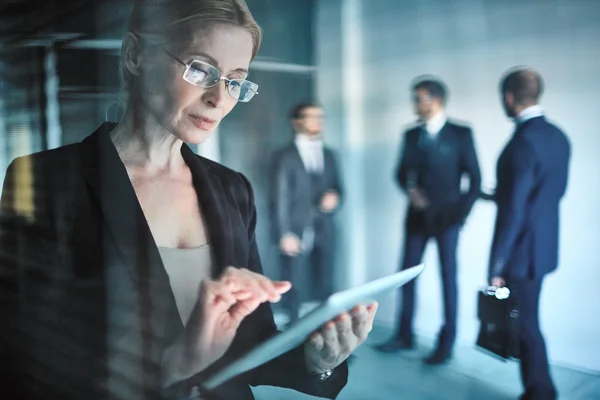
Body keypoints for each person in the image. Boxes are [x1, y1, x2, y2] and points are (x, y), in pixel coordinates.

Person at [0, 1, 377, 399]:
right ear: (135, 55)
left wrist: (317, 362)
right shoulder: (49, 180)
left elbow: (250, 341)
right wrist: (169, 371)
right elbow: (22, 363)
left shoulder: (232, 189)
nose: (219, 98)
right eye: (200, 69)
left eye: (236, 80)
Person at [376, 77, 481, 365]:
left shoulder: (461, 133)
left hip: (448, 220)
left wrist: (460, 217)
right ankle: (403, 335)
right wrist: (410, 190)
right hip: (416, 219)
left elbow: (475, 181)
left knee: (448, 279)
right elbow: (400, 173)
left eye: (418, 98)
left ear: (435, 100)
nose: (415, 104)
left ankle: (445, 344)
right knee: (407, 276)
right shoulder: (411, 135)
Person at [488, 67, 570, 400]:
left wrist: (497, 266)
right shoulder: (558, 136)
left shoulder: (522, 141)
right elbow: (547, 193)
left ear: (508, 97)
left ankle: (540, 393)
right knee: (529, 322)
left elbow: (514, 212)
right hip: (545, 246)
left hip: (520, 253)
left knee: (526, 326)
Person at [269, 103, 343, 323]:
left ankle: (330, 337)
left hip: (326, 228)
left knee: (326, 283)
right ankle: (293, 337)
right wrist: (284, 234)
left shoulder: (330, 155)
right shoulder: (283, 156)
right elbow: (277, 199)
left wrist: (336, 198)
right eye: (311, 117)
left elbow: (339, 188)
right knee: (293, 284)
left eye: (320, 117)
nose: (318, 121)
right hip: (294, 229)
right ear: (296, 122)